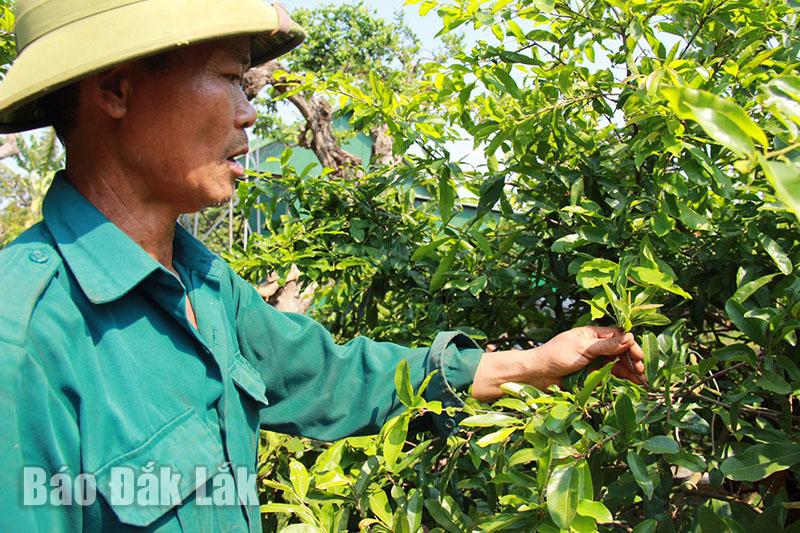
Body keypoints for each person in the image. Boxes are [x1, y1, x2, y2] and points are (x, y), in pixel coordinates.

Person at [0, 1, 646, 531]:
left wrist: (531, 364)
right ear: (116, 88)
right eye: (229, 79)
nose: (250, 112)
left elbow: (335, 376)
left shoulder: (205, 285)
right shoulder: (25, 338)